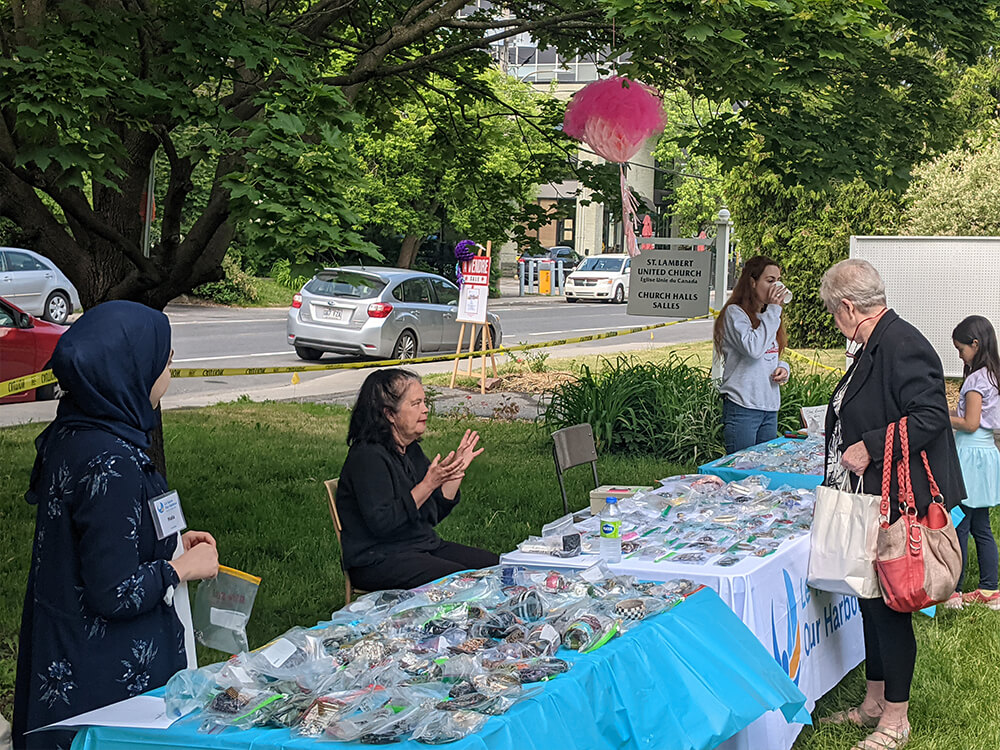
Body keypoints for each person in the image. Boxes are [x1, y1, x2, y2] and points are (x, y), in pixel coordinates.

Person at [12, 301, 219, 750]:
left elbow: (91, 535)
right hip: (106, 685)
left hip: (65, 655)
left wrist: (167, 541)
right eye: (165, 362)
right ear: (131, 370)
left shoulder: (75, 431)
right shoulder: (113, 459)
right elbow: (115, 591)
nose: (169, 373)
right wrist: (182, 569)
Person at [817, 259, 964, 750]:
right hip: (870, 500)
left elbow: (931, 416)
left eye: (832, 313)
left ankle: (895, 721)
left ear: (847, 306)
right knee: (869, 603)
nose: (834, 323)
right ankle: (874, 702)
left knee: (889, 609)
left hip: (898, 504)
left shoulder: (902, 343)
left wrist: (871, 445)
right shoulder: (872, 344)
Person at [336, 369, 499, 592]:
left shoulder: (410, 449)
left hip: (419, 546)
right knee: (460, 582)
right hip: (377, 558)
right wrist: (428, 484)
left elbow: (431, 515)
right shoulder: (367, 457)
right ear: (389, 414)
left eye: (424, 402)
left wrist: (455, 472)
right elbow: (383, 524)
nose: (425, 410)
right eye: (415, 404)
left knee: (496, 567)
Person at [943, 315, 1000, 610]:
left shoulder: (976, 380)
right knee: (982, 525)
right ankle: (990, 589)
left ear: (975, 345)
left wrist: (940, 417)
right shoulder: (993, 375)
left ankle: (954, 589)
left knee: (960, 524)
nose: (960, 355)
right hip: (986, 453)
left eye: (961, 350)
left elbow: (969, 422)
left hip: (970, 456)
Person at [713, 255, 790, 454]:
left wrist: (783, 368)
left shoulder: (768, 316)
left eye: (778, 280)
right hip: (743, 405)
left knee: (764, 468)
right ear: (753, 282)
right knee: (742, 468)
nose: (776, 286)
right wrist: (774, 310)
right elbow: (754, 349)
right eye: (770, 280)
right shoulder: (735, 313)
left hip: (769, 406)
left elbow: (769, 354)